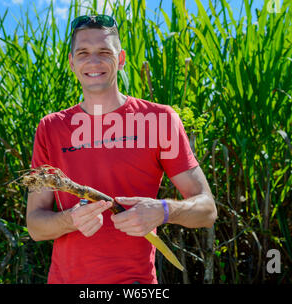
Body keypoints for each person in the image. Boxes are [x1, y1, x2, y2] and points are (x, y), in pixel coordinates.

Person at [26, 15, 217, 284]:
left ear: (122, 58)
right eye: (83, 53)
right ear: (71, 62)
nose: (93, 62)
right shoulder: (51, 128)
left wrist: (162, 211)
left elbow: (207, 209)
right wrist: (71, 219)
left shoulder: (160, 120)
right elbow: (35, 225)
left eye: (104, 52)